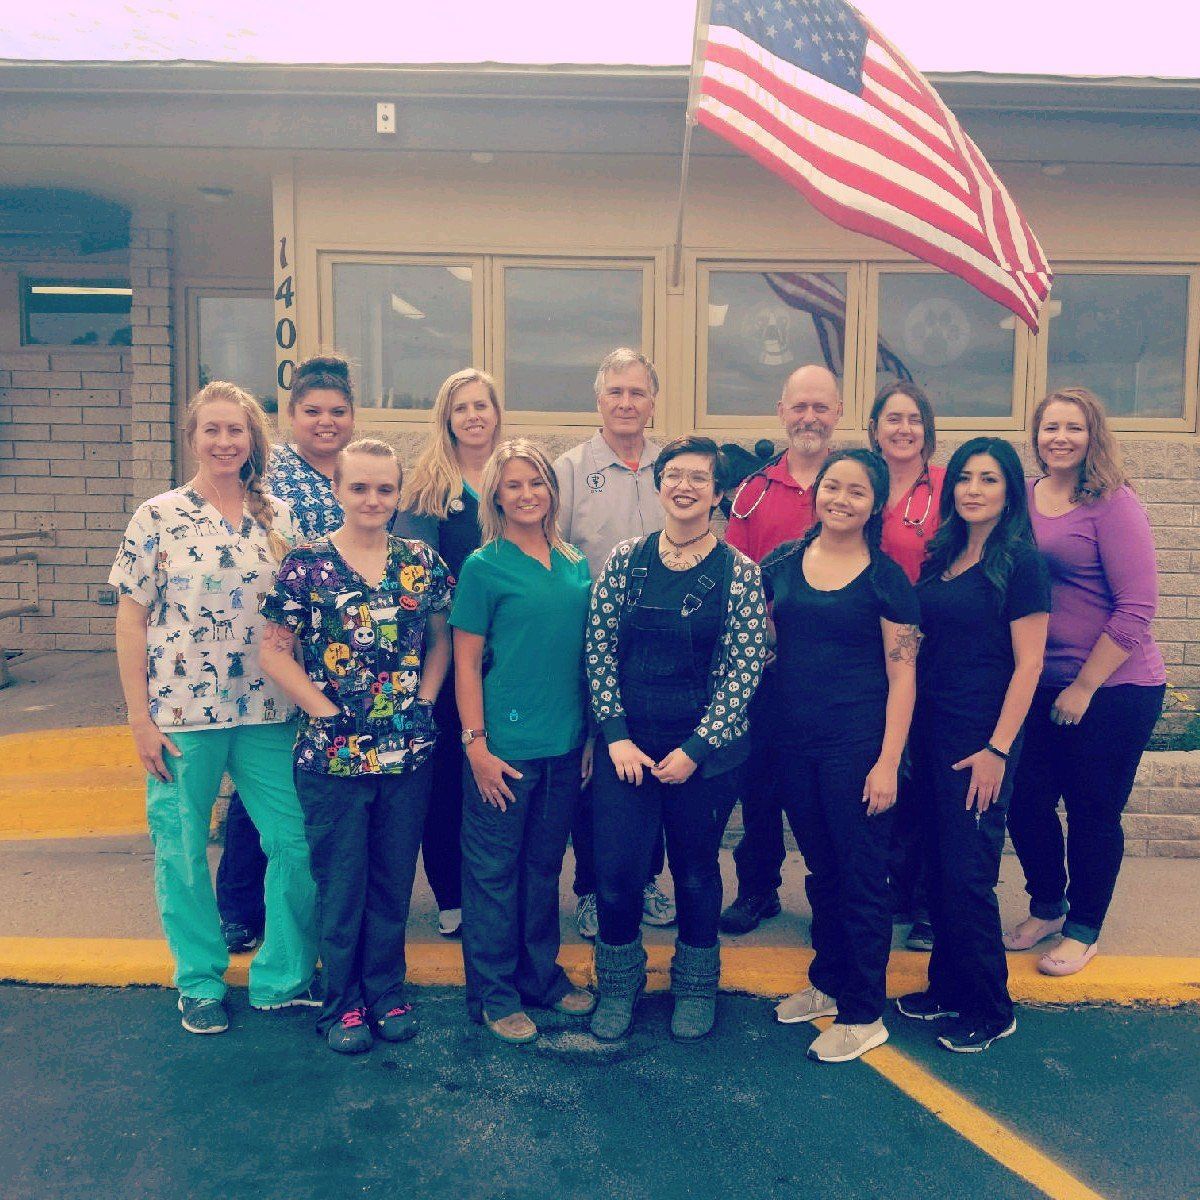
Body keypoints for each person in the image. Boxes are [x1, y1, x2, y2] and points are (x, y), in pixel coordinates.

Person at [110, 381, 318, 1036]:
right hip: (181, 718)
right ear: (193, 437)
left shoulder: (281, 519)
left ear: (253, 438)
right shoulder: (158, 516)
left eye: (236, 430)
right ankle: (199, 980)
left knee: (295, 842)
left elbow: (303, 614)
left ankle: (283, 977)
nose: (225, 441)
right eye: (213, 430)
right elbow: (131, 621)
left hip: (267, 711)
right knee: (180, 849)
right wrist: (139, 719)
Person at [259, 439, 452, 1054]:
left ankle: (387, 992)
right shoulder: (306, 565)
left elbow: (441, 639)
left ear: (398, 494)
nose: (373, 499)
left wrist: (425, 699)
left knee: (393, 883)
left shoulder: (421, 562)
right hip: (331, 758)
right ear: (338, 490)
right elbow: (274, 652)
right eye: (360, 487)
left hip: (407, 754)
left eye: (384, 489)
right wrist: (324, 710)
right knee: (342, 885)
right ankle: (341, 1003)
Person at [586, 437, 767, 1042]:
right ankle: (619, 985)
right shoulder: (626, 560)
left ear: (717, 495)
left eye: (699, 478)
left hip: (703, 756)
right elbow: (598, 649)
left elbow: (745, 669)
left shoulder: (739, 572)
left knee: (695, 873)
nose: (685, 486)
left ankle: (694, 986)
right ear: (659, 485)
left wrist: (697, 749)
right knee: (618, 874)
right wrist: (615, 737)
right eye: (674, 476)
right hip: (627, 750)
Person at [1005, 387, 1166, 976]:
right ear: (1036, 435)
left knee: (1093, 811)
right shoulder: (1022, 497)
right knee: (1024, 800)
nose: (1061, 438)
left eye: (1073, 427)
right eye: (1050, 427)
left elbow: (1137, 608)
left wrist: (1084, 687)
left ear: (1093, 435)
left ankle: (1083, 928)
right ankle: (1048, 905)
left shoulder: (1114, 503)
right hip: (1037, 682)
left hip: (1115, 689)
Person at [895, 438, 1050, 1053]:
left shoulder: (1021, 563)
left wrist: (998, 750)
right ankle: (946, 987)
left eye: (988, 478)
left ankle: (989, 1006)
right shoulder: (944, 555)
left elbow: (1030, 665)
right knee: (936, 868)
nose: (973, 489)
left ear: (1009, 491)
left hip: (981, 741)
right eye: (963, 478)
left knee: (967, 874)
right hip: (930, 734)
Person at [768, 449, 919, 1064]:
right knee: (823, 871)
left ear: (875, 504)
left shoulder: (886, 579)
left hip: (856, 751)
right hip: (794, 747)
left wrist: (888, 763)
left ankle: (863, 1012)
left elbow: (903, 677)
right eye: (833, 486)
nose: (841, 499)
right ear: (817, 491)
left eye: (857, 491)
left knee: (860, 878)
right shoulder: (783, 564)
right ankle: (828, 981)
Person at [451, 439, 597, 1044]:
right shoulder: (483, 567)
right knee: (493, 873)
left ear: (552, 492)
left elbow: (583, 656)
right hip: (503, 749)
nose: (527, 493)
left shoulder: (574, 562)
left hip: (564, 744)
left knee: (543, 869)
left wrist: (588, 736)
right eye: (513, 484)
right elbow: (465, 663)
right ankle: (494, 993)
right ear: (496, 496)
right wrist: (476, 746)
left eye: (536, 482)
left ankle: (540, 977)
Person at [216, 354, 356, 955]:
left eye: (337, 411)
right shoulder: (268, 477)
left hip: (347, 654)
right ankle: (239, 907)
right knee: (264, 784)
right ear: (291, 415)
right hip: (282, 648)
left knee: (319, 791)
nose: (326, 422)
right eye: (313, 411)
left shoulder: (359, 470)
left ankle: (315, 904)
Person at [554, 348, 674, 939]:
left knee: (651, 764)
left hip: (661, 651)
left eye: (637, 392)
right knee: (595, 771)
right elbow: (553, 552)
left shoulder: (671, 465)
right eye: (616, 392)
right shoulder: (570, 470)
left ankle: (644, 878)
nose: (627, 403)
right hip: (591, 647)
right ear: (598, 399)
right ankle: (591, 888)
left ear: (653, 402)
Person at [720, 364, 840, 937]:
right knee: (760, 784)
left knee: (826, 789)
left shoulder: (852, 483)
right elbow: (736, 577)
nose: (809, 417)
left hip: (835, 671)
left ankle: (834, 892)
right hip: (766, 670)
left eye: (821, 407)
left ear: (838, 413)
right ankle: (757, 888)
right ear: (781, 412)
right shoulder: (753, 492)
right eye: (800, 406)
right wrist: (756, 636)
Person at [393, 368, 504, 939]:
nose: (473, 416)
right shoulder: (427, 490)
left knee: (498, 773)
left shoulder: (515, 477)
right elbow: (418, 583)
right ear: (447, 418)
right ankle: (451, 895)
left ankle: (495, 888)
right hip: (449, 652)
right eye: (461, 407)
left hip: (510, 658)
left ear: (497, 413)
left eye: (482, 405)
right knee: (447, 781)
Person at [867, 380, 946, 952]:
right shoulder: (862, 482)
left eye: (914, 419)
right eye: (893, 419)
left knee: (927, 779)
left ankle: (927, 902)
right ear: (874, 429)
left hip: (933, 651)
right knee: (884, 768)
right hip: (867, 654)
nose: (903, 429)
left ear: (928, 430)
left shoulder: (946, 487)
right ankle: (892, 887)